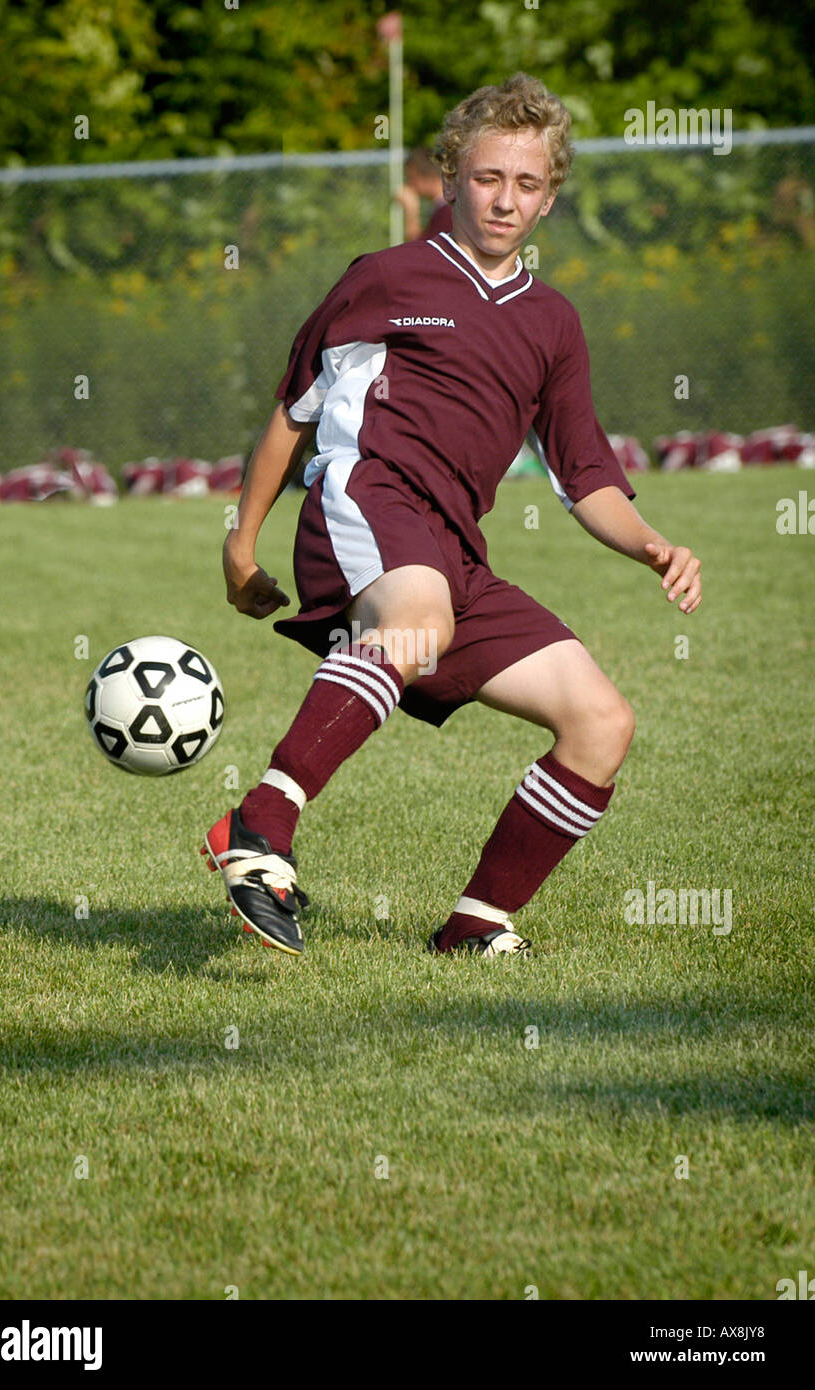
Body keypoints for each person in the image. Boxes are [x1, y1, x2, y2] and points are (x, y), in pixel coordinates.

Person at [202, 73, 702, 959]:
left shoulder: (552, 321)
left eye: (528, 184)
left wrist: (653, 545)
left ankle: (476, 924)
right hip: (368, 497)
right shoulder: (385, 277)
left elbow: (585, 473)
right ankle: (260, 821)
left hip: (453, 551)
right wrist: (241, 545)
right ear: (447, 178)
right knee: (419, 619)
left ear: (550, 198)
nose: (506, 200)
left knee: (601, 721)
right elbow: (294, 410)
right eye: (487, 178)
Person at [394, 146, 452, 240]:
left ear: (428, 176)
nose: (409, 184)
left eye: (411, 178)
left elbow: (420, 250)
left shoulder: (446, 211)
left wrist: (411, 211)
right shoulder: (444, 207)